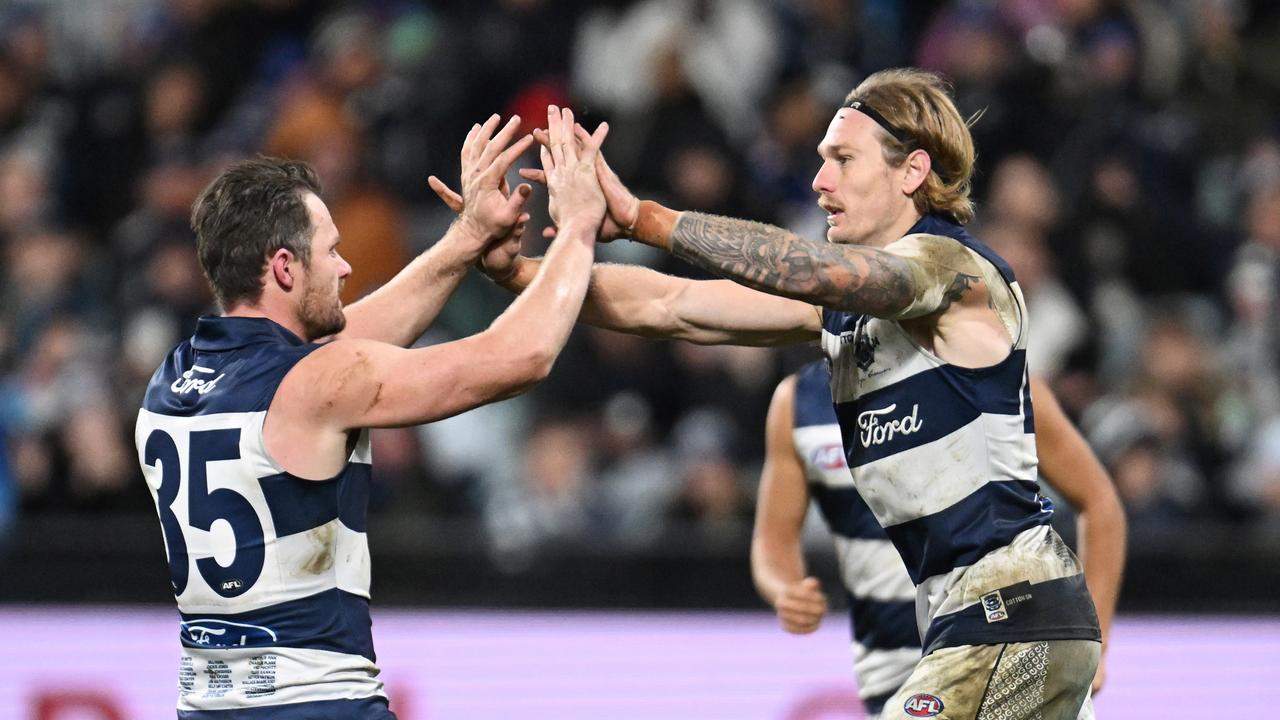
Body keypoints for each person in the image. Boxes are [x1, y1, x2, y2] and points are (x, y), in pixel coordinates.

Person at [445, 70, 1105, 718]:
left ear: (912, 172)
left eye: (843, 159)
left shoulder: (955, 268)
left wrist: (645, 219)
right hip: (991, 622)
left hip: (1008, 617)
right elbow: (670, 304)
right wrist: (520, 269)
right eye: (820, 161)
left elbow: (813, 270)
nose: (820, 182)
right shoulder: (845, 312)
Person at [135, 107, 610, 718]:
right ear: (283, 266)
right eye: (330, 252)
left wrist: (467, 237)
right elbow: (523, 356)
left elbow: (351, 341)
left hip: (208, 705)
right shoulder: (315, 381)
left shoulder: (172, 379)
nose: (346, 266)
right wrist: (577, 227)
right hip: (318, 702)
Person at [752, 361, 1126, 717]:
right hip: (891, 670)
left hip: (1000, 645)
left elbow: (1098, 502)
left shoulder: (992, 369)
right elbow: (774, 539)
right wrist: (785, 588)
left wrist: (1101, 646)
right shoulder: (799, 401)